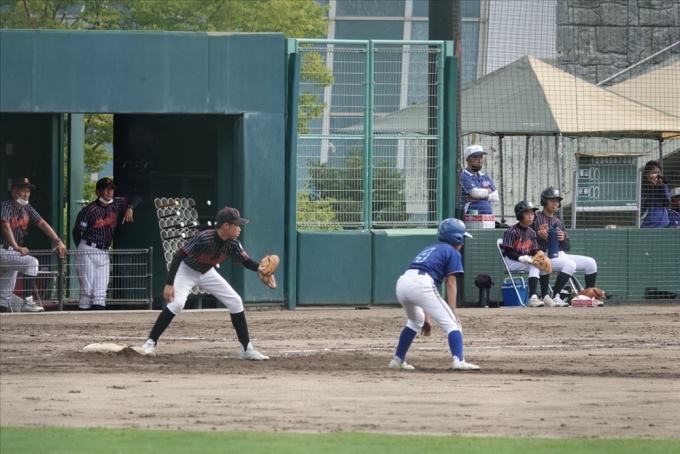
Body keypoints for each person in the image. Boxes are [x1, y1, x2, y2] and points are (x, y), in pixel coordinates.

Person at [141, 207, 269, 360]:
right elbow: (178, 256)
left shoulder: (233, 244)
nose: (239, 228)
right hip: (187, 270)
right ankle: (149, 343)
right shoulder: (203, 238)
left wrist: (261, 269)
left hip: (207, 272)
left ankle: (246, 349)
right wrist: (169, 284)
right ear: (226, 226)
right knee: (177, 304)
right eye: (236, 225)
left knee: (235, 301)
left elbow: (246, 261)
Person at [389, 218, 480, 371]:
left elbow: (423, 288)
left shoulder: (430, 248)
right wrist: (453, 311)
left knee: (415, 321)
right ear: (456, 237)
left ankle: (397, 360)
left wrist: (426, 316)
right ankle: (459, 361)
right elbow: (451, 284)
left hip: (403, 283)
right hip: (421, 283)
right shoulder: (453, 252)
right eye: (462, 238)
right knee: (453, 323)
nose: (463, 242)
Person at [72, 177, 142, 310]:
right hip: (88, 247)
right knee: (87, 290)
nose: (109, 192)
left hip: (104, 251)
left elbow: (138, 197)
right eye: (106, 189)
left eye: (111, 189)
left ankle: (99, 321)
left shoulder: (116, 204)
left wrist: (130, 207)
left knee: (100, 291)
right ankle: (83, 320)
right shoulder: (89, 209)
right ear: (98, 192)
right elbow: (77, 232)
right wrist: (81, 251)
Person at [0, 177, 67, 313]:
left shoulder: (27, 208)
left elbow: (42, 223)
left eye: (28, 191)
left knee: (3, 297)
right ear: (14, 192)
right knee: (31, 263)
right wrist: (16, 247)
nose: (26, 194)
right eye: (23, 191)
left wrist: (58, 241)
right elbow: (5, 226)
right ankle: (28, 301)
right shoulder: (6, 206)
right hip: (3, 249)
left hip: (11, 253)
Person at [531, 187, 598, 306]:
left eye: (557, 201)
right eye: (551, 200)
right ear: (544, 201)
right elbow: (523, 234)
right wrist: (536, 233)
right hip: (543, 255)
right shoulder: (535, 217)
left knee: (591, 262)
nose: (555, 203)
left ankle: (588, 296)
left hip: (560, 254)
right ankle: (555, 296)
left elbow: (567, 247)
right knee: (570, 264)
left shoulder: (558, 221)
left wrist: (562, 239)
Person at [500, 201, 549, 308]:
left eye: (532, 213)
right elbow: (508, 252)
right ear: (519, 215)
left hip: (526, 260)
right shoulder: (511, 232)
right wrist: (521, 258)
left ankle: (546, 297)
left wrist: (541, 256)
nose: (531, 216)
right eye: (527, 214)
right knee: (534, 266)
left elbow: (533, 250)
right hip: (511, 261)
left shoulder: (532, 232)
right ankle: (533, 297)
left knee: (543, 265)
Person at [459, 145, 499, 215]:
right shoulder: (464, 175)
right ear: (468, 160)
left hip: (487, 217)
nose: (480, 161)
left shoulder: (484, 176)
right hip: (470, 216)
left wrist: (480, 198)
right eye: (476, 158)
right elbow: (475, 193)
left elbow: (496, 197)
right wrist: (488, 191)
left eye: (481, 157)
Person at [640, 160, 670, 228]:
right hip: (646, 224)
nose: (657, 175)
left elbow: (666, 203)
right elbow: (645, 204)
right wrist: (652, 187)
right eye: (654, 172)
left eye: (658, 172)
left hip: (662, 223)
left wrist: (660, 188)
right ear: (647, 174)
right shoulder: (642, 187)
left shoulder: (663, 185)